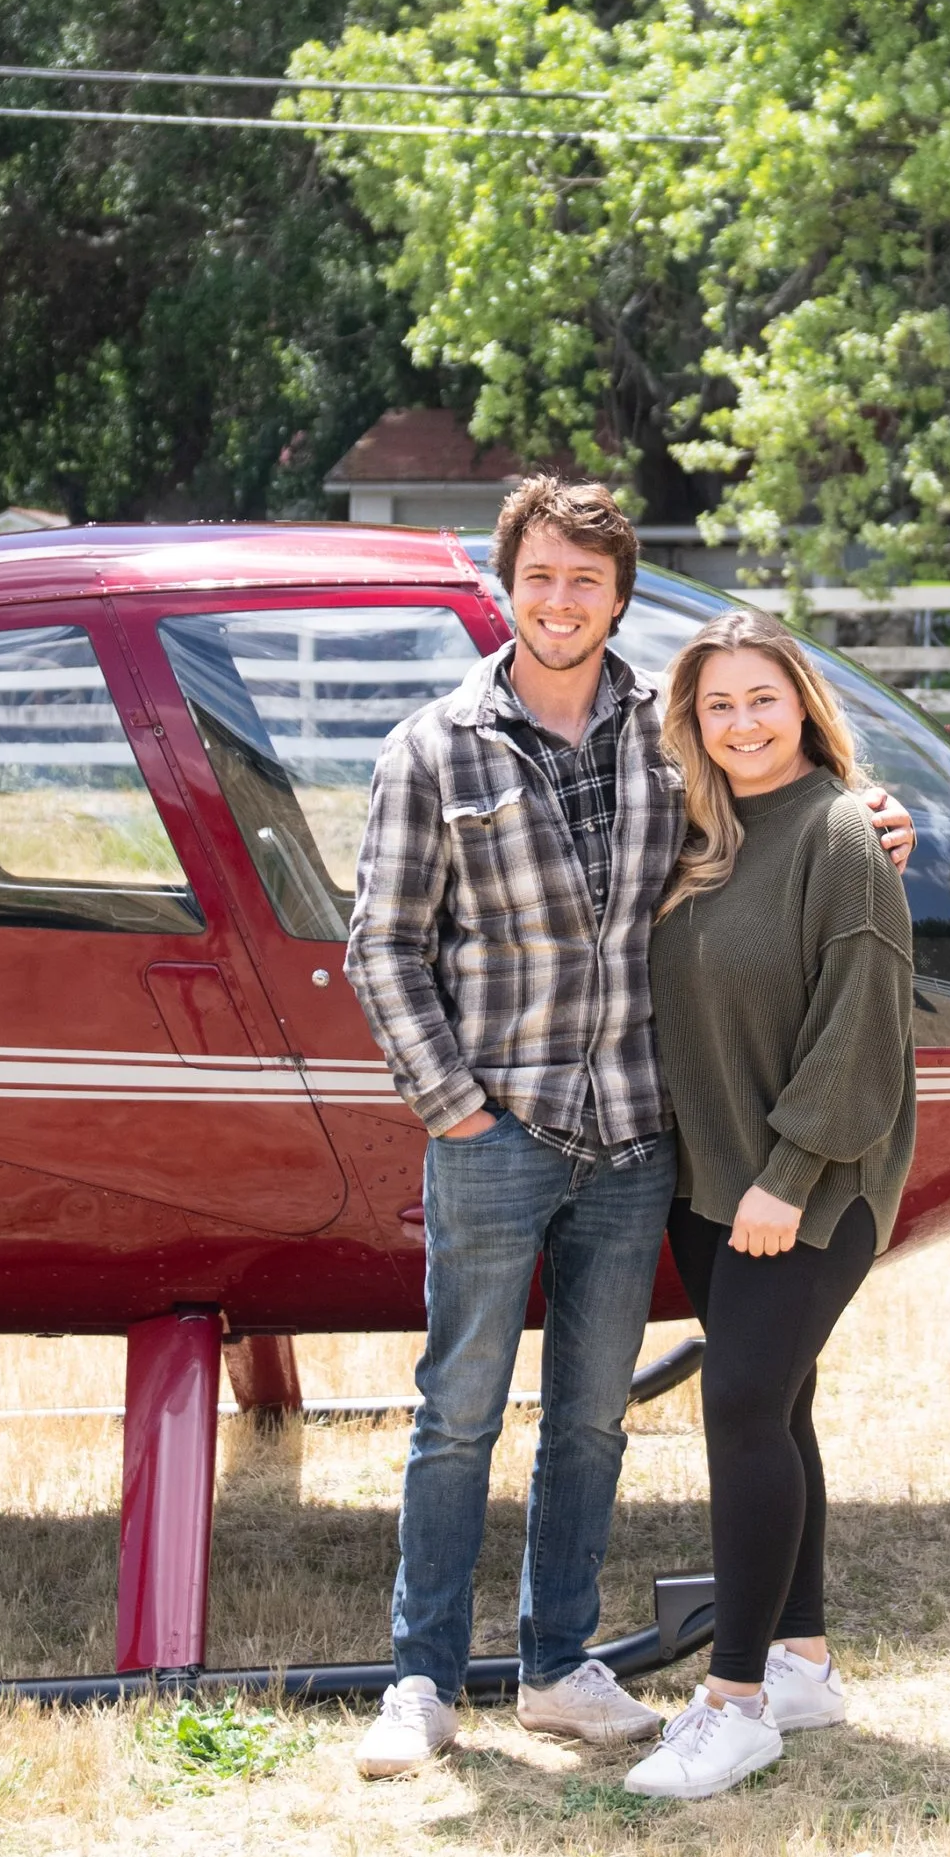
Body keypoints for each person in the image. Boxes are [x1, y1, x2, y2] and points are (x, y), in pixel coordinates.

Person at [344, 479, 912, 1779]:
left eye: (586, 581)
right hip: (497, 1131)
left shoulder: (671, 736)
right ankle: (423, 1681)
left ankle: (556, 1669)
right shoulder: (433, 748)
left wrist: (876, 818)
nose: (561, 601)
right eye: (540, 576)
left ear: (618, 598)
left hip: (636, 1143)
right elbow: (382, 945)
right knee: (457, 1414)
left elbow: (791, 809)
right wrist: (455, 1106)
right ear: (507, 585)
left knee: (593, 1418)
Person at [621, 611, 917, 1804]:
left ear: (802, 704)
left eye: (763, 699)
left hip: (811, 1183)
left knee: (740, 1404)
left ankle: (735, 1704)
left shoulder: (841, 833)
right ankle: (802, 1665)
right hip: (711, 1185)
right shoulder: (696, 836)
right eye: (718, 705)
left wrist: (787, 1177)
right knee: (777, 1406)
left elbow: (861, 1028)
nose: (742, 723)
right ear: (690, 722)